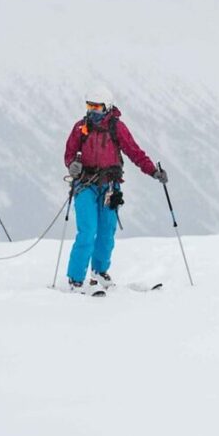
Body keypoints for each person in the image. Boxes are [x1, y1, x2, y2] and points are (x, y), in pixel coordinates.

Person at [62, 90, 168, 292]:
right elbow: (69, 154)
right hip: (85, 185)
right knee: (87, 231)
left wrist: (153, 171)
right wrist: (72, 165)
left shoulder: (117, 128)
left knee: (106, 232)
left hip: (110, 187)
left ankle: (99, 272)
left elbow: (134, 152)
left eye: (97, 106)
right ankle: (75, 279)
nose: (92, 111)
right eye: (89, 106)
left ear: (107, 106)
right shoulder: (80, 128)